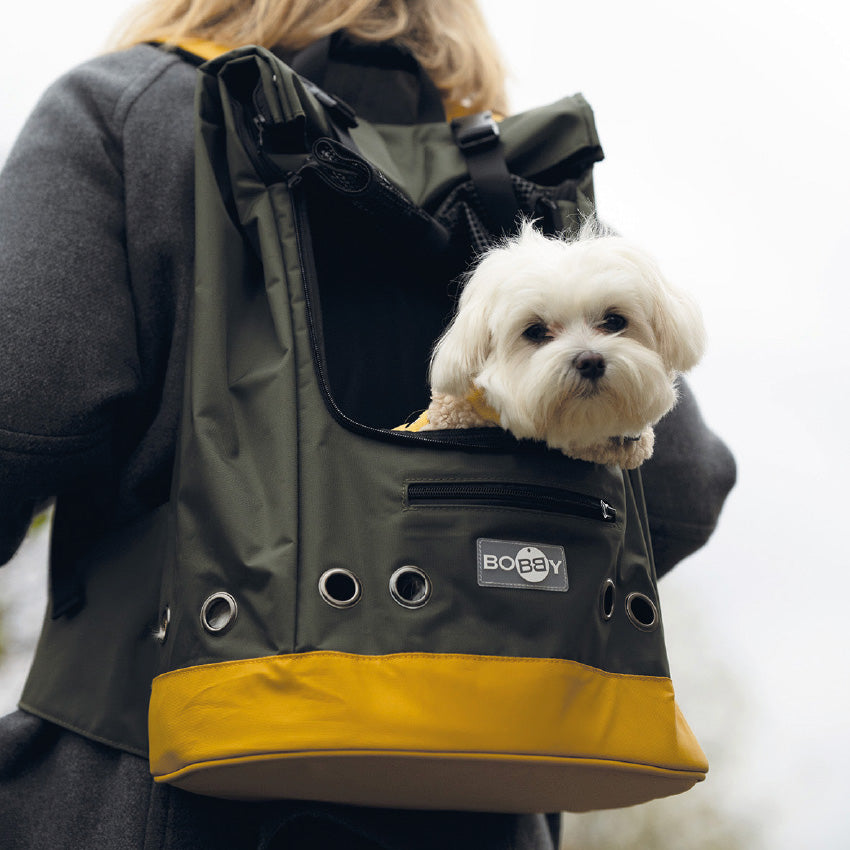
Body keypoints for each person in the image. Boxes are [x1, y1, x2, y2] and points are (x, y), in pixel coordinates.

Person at [0, 0, 736, 847]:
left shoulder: (126, 109)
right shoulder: (522, 173)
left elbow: (22, 416)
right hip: (482, 798)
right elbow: (682, 487)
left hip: (156, 777)